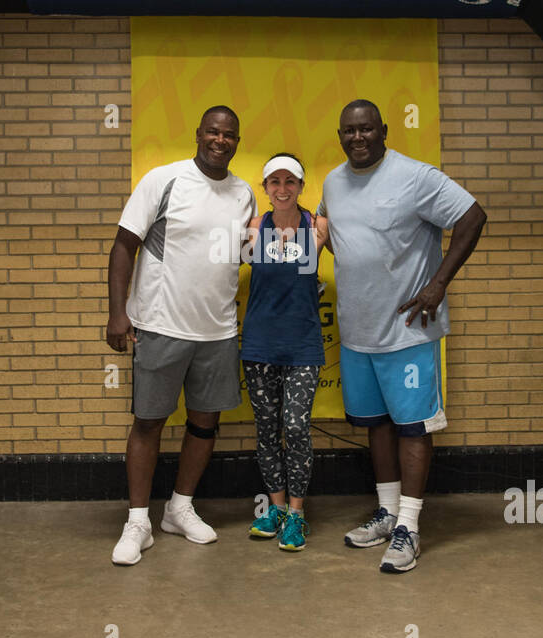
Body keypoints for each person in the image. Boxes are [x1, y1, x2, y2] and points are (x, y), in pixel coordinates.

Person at [318, 99, 486, 573]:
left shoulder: (415, 176)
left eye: (366, 129)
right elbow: (330, 231)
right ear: (340, 135)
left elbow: (473, 217)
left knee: (413, 427)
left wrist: (438, 283)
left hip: (408, 331)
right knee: (377, 424)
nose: (358, 137)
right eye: (349, 130)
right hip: (358, 331)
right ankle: (388, 513)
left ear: (384, 130)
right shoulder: (333, 182)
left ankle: (409, 526)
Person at [105, 106, 256, 566]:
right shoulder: (163, 180)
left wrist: (298, 240)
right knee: (149, 422)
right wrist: (117, 313)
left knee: (204, 424)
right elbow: (123, 246)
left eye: (229, 135)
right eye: (213, 131)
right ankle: (137, 521)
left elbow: (243, 253)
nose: (220, 140)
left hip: (218, 330)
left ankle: (179, 508)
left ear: (237, 141)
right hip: (160, 325)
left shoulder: (244, 194)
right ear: (198, 134)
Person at [239, 153, 329, 551]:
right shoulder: (254, 227)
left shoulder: (318, 226)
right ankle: (275, 508)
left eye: (289, 181)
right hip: (260, 343)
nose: (282, 188)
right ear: (265, 188)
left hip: (303, 344)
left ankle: (296, 514)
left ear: (301, 186)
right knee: (266, 430)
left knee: (295, 427)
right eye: (274, 181)